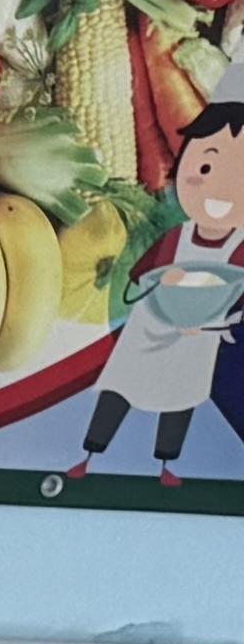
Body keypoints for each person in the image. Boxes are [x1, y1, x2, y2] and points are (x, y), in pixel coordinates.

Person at [81, 102, 244, 486]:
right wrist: (159, 283)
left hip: (200, 334)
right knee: (120, 386)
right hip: (151, 323)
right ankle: (89, 455)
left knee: (182, 396)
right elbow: (140, 274)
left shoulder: (239, 247)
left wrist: (216, 324)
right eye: (205, 169)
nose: (219, 188)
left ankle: (166, 466)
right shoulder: (175, 233)